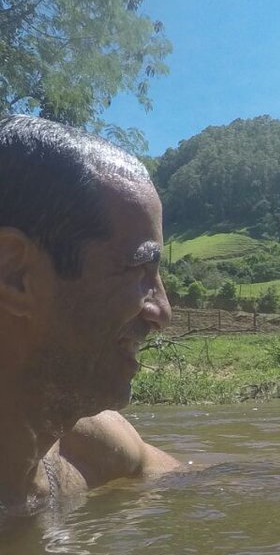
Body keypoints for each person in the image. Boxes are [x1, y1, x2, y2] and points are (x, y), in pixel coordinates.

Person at [0, 115, 179, 516]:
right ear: (16, 276)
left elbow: (211, 482)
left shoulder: (88, 444)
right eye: (138, 269)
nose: (162, 312)